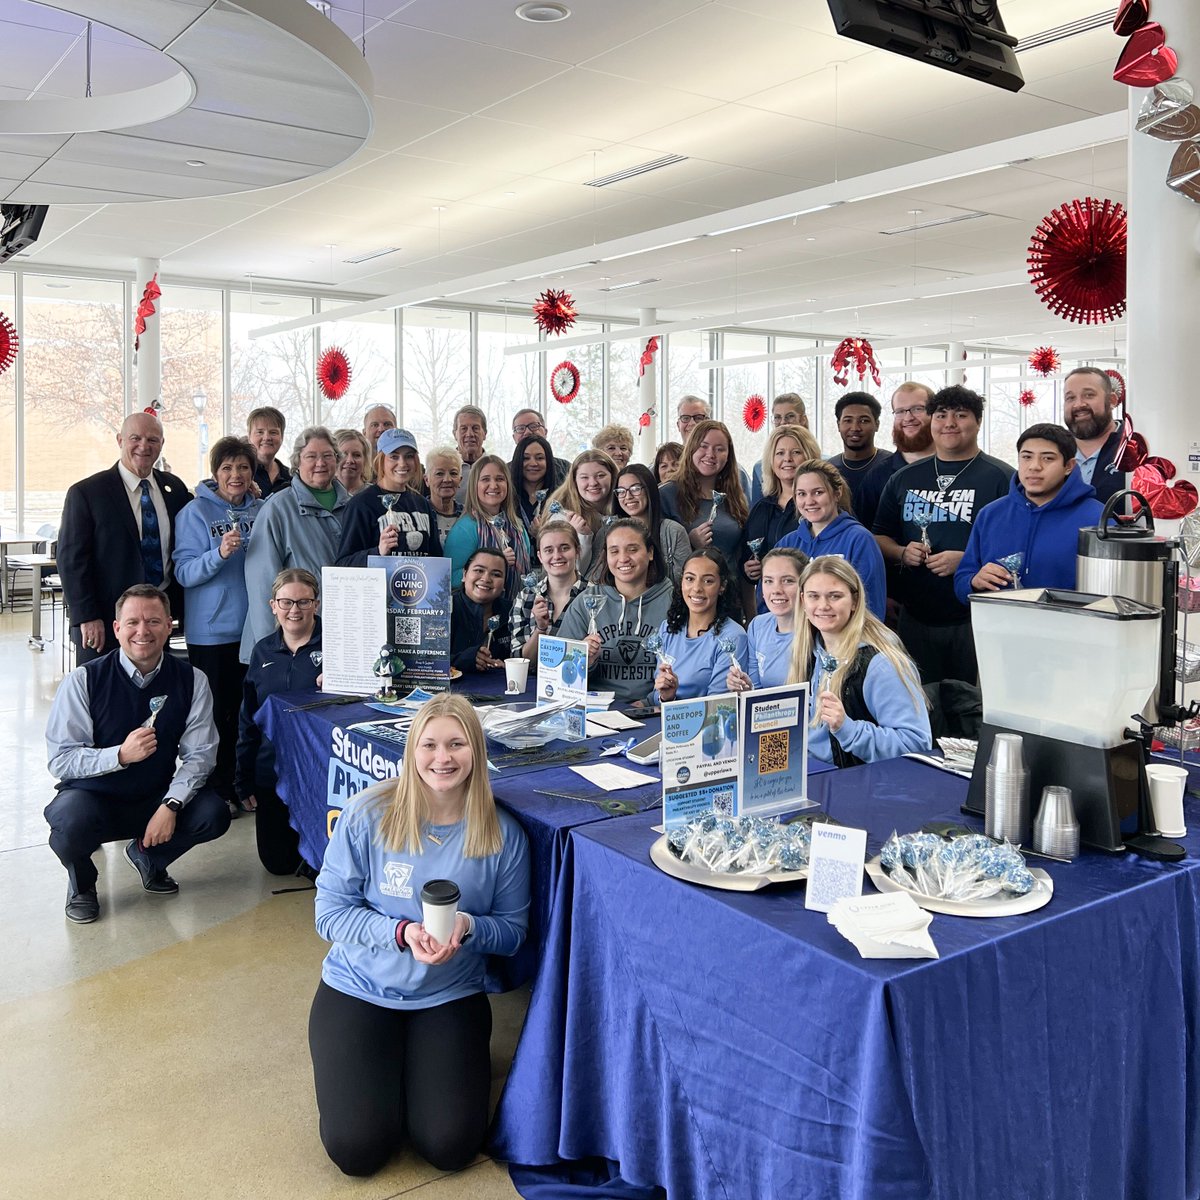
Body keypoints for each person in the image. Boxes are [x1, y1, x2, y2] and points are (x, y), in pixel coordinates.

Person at [308, 694, 529, 1176]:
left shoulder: (502, 834)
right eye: (429, 744)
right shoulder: (368, 814)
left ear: (477, 750)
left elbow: (513, 934)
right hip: (360, 986)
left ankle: (417, 1068)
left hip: (449, 994)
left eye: (457, 744)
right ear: (411, 751)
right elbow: (328, 912)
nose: (442, 758)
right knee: (357, 1149)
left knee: (450, 1146)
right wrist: (401, 933)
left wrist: (469, 928)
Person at [44, 585, 230, 923]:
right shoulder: (84, 680)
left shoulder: (192, 680)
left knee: (213, 813)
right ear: (117, 629)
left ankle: (149, 857)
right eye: (132, 622)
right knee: (69, 822)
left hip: (153, 797)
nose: (142, 631)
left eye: (153, 621)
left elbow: (200, 755)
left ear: (170, 625)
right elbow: (61, 760)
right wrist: (119, 755)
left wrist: (170, 805)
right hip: (93, 798)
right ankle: (82, 885)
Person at [872, 385, 1013, 685]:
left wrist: (966, 562)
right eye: (941, 414)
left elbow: (1017, 550)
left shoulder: (1002, 478)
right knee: (920, 703)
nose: (949, 423)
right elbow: (879, 536)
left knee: (970, 706)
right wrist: (901, 552)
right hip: (915, 618)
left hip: (974, 619)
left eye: (961, 415)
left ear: (978, 422)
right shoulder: (904, 478)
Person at [172, 436, 264, 814]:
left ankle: (244, 782)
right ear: (215, 474)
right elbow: (183, 572)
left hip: (255, 629)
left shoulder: (262, 510)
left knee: (248, 713)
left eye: (242, 467)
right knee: (215, 716)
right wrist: (218, 554)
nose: (235, 475)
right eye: (227, 468)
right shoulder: (194, 513)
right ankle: (215, 788)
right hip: (212, 634)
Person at [59, 411, 192, 663]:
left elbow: (200, 514)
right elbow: (71, 561)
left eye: (153, 440)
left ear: (162, 444)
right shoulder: (87, 493)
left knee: (153, 692)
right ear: (120, 440)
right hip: (105, 620)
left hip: (156, 620)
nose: (144, 446)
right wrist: (87, 616)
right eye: (135, 438)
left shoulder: (174, 489)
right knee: (103, 694)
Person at [788, 557, 931, 767]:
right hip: (808, 771)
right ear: (802, 600)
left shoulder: (881, 664)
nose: (823, 605)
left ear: (855, 601)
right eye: (813, 596)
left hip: (855, 783)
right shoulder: (807, 651)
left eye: (835, 596)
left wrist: (847, 729)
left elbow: (916, 743)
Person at [236, 569, 323, 876]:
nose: (294, 610)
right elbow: (248, 720)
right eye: (286, 602)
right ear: (273, 605)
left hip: (319, 772)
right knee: (277, 864)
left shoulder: (339, 646)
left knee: (318, 864)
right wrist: (243, 778)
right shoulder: (262, 651)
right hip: (272, 770)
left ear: (317, 604)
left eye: (303, 602)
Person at [955, 424, 1103, 604]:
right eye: (1026, 457)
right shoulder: (990, 514)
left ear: (1069, 466)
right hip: (996, 628)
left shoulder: (1098, 519)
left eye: (1048, 458)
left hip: (1071, 627)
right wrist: (974, 582)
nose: (1034, 466)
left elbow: (1110, 594)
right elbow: (962, 580)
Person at [241, 426, 350, 660]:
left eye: (327, 455)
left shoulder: (353, 507)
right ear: (297, 462)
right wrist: (270, 647)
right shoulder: (277, 509)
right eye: (311, 456)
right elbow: (262, 583)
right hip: (293, 636)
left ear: (337, 460)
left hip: (343, 632)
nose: (320, 463)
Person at [556, 519, 673, 706]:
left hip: (653, 711)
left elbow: (685, 670)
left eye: (632, 549)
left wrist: (652, 701)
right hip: (595, 710)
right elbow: (558, 677)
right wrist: (585, 661)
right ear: (606, 556)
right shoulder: (587, 602)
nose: (623, 558)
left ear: (650, 553)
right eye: (614, 551)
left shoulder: (673, 602)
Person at [777, 460, 887, 620]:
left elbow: (872, 606)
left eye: (818, 492)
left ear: (837, 493)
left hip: (843, 641)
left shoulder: (859, 540)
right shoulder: (787, 543)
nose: (809, 501)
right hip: (794, 641)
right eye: (801, 494)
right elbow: (770, 596)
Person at [742, 425, 821, 614]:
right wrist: (748, 569)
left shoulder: (818, 507)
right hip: (770, 608)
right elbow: (746, 555)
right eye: (780, 453)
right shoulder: (762, 508)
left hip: (810, 607)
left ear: (809, 456)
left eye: (796, 452)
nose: (787, 459)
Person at [335, 428, 442, 567]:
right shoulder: (361, 504)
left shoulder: (422, 504)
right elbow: (343, 564)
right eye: (394, 456)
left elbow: (437, 560)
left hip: (419, 587)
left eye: (409, 456)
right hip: (378, 588)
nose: (402, 463)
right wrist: (378, 552)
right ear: (381, 460)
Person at [653, 549, 749, 702]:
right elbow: (656, 694)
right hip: (661, 718)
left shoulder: (733, 637)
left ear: (722, 586)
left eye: (708, 581)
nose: (697, 588)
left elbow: (717, 705)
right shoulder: (667, 628)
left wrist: (672, 703)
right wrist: (666, 697)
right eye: (690, 579)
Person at [659, 419, 750, 578]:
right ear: (691, 449)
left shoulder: (736, 498)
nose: (711, 454)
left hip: (731, 595)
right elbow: (654, 552)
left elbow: (740, 556)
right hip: (688, 594)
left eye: (719, 449)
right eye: (704, 446)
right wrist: (688, 542)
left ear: (728, 456)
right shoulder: (666, 495)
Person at [443, 455, 531, 592]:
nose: (494, 485)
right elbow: (450, 577)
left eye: (500, 479)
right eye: (485, 479)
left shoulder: (518, 527)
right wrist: (494, 564)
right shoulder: (465, 528)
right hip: (478, 611)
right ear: (474, 485)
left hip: (518, 609)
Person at [727, 548, 807, 692]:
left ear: (805, 585)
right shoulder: (757, 626)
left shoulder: (819, 629)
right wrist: (746, 689)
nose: (776, 590)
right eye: (768, 581)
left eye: (788, 581)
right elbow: (756, 690)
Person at [510, 520, 587, 660]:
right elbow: (520, 661)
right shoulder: (526, 597)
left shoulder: (595, 596)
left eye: (564, 548)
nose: (557, 556)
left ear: (577, 551)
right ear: (540, 557)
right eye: (549, 550)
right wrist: (540, 629)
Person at [613, 463, 690, 585]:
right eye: (621, 491)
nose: (628, 496)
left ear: (649, 489)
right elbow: (597, 580)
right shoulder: (609, 531)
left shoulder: (673, 532)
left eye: (635, 489)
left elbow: (685, 583)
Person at [827, 392, 894, 531]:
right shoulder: (828, 470)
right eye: (848, 420)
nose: (855, 428)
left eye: (864, 420)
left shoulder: (892, 466)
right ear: (838, 424)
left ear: (877, 424)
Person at [545, 449, 617, 576]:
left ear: (613, 477)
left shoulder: (622, 508)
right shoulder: (562, 518)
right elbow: (570, 574)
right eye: (584, 477)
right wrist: (583, 536)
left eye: (600, 475)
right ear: (574, 481)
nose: (593, 483)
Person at [1064, 367, 1125, 504]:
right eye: (1070, 398)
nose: (1078, 404)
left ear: (1112, 401)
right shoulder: (1056, 449)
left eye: (1089, 395)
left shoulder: (1133, 449)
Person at [450, 548, 513, 674]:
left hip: (498, 689)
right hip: (450, 692)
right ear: (464, 574)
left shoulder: (512, 611)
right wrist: (463, 660)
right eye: (479, 570)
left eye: (496, 574)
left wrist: (509, 665)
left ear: (504, 584)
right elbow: (424, 661)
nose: (486, 579)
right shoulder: (443, 609)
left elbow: (524, 659)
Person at [676, 396, 751, 496]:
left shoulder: (737, 473)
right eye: (685, 418)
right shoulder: (664, 466)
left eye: (698, 418)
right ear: (678, 425)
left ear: (708, 421)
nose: (692, 423)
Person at [750, 393, 810, 505]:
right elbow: (757, 511)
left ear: (803, 419)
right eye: (777, 417)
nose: (783, 422)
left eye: (790, 416)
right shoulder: (760, 468)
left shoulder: (824, 464)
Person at [876, 382, 935, 488]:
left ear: (934, 412)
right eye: (900, 411)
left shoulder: (959, 466)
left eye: (917, 409)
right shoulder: (878, 476)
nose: (908, 418)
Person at [509, 433, 565, 530]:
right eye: (526, 458)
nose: (533, 463)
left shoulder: (561, 497)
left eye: (539, 458)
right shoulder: (508, 497)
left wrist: (542, 535)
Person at [512, 408, 570, 477]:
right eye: (521, 428)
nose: (527, 432)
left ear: (545, 432)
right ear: (514, 437)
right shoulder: (504, 472)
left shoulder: (566, 470)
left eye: (533, 426)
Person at [248, 406, 292, 498]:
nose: (267, 438)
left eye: (273, 432)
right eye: (260, 432)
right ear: (249, 437)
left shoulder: (291, 478)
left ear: (282, 437)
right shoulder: (239, 475)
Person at [425, 446, 464, 543]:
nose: (447, 479)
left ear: (460, 480)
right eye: (439, 473)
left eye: (453, 473)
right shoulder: (418, 514)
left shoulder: (469, 516)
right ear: (427, 480)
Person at [453, 405, 488, 500]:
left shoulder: (496, 468)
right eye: (463, 428)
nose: (470, 434)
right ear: (454, 434)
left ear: (485, 433)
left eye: (475, 428)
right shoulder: (444, 469)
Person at [334, 428, 372, 495]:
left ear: (365, 460)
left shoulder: (375, 495)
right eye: (343, 454)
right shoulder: (321, 495)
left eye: (356, 455)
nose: (350, 460)